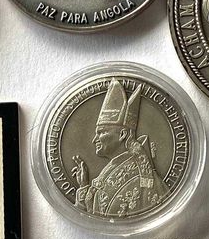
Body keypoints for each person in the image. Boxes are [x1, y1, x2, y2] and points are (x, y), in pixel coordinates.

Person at [71, 79, 168, 216]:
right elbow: (93, 217)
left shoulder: (140, 176)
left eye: (102, 132)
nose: (94, 140)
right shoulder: (113, 168)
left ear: (122, 134)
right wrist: (83, 186)